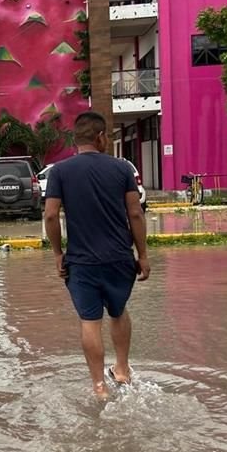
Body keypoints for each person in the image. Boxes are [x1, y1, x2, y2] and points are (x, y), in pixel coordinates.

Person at [43, 112, 150, 399]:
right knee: (118, 311)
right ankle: (122, 370)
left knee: (90, 322)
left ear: (76, 139)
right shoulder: (122, 169)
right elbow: (135, 213)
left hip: (81, 263)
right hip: (119, 259)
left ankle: (99, 387)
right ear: (101, 137)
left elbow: (51, 216)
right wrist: (143, 255)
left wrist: (58, 253)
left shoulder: (60, 172)